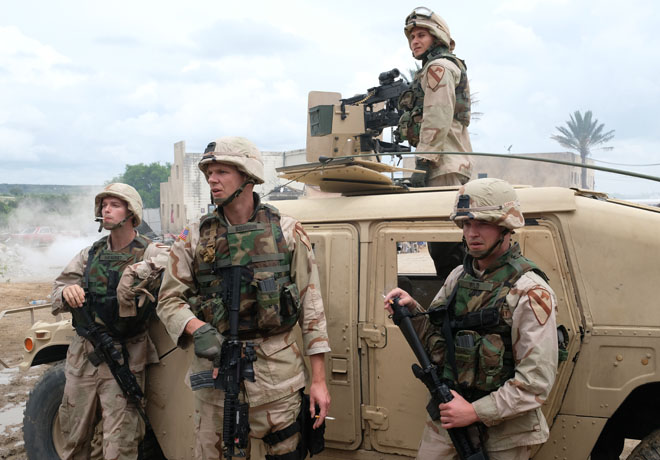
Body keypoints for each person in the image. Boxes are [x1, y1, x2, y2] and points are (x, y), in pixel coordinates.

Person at [157, 136, 331, 460]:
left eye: (222, 171)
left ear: (248, 177)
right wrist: (197, 328)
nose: (212, 179)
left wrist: (319, 381)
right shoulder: (193, 237)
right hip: (216, 380)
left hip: (276, 380)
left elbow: (312, 308)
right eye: (209, 173)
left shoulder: (287, 232)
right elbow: (168, 300)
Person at [384, 178, 558, 460]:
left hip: (503, 432)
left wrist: (474, 412)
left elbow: (535, 383)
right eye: (466, 224)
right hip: (448, 418)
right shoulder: (458, 277)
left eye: (483, 223)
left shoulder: (529, 291)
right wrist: (412, 312)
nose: (472, 233)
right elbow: (437, 341)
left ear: (506, 227)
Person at [52, 183, 170, 460]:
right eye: (104, 205)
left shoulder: (149, 252)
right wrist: (67, 292)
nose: (106, 210)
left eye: (114, 205)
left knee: (121, 444)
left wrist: (142, 269)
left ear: (131, 212)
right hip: (85, 355)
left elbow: (174, 263)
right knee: (74, 438)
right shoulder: (90, 254)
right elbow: (57, 290)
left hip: (125, 355)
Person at [398, 6, 473, 187]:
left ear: (437, 37)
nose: (415, 41)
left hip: (441, 166)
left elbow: (437, 114)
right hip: (447, 163)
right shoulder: (441, 66)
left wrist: (424, 162)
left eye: (421, 35)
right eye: (412, 37)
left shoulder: (438, 67)